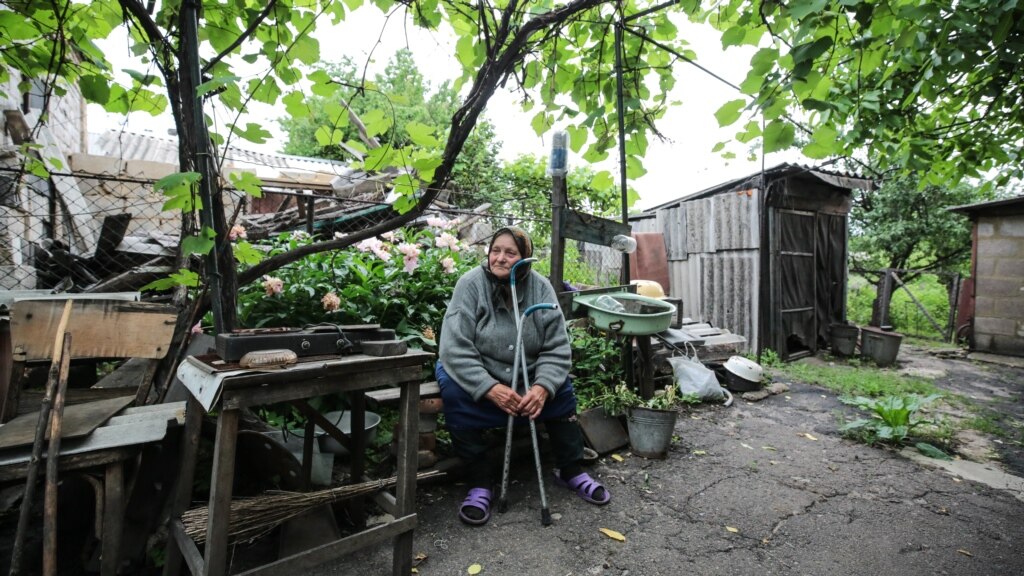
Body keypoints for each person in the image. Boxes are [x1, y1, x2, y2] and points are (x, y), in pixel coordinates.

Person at [437, 226, 610, 526]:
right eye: (495, 251)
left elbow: (557, 347)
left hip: (527, 372)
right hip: (481, 368)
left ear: (525, 258)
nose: (500, 258)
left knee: (561, 390)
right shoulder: (470, 284)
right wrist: (489, 387)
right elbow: (454, 347)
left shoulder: (541, 288)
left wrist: (542, 387)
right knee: (454, 392)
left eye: (510, 253)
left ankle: (570, 470)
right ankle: (480, 483)